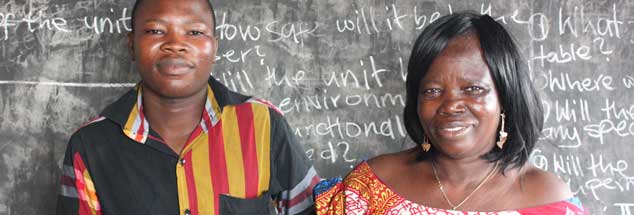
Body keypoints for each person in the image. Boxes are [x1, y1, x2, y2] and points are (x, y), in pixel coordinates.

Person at [56, 0, 319, 214]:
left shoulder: (262, 124)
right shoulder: (89, 146)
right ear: (131, 45)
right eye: (156, 31)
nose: (175, 44)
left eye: (194, 32)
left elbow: (311, 209)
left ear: (213, 47)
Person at [314, 12, 587, 214]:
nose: (450, 105)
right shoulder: (371, 186)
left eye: (473, 89)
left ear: (505, 98)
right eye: (432, 91)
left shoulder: (550, 200)